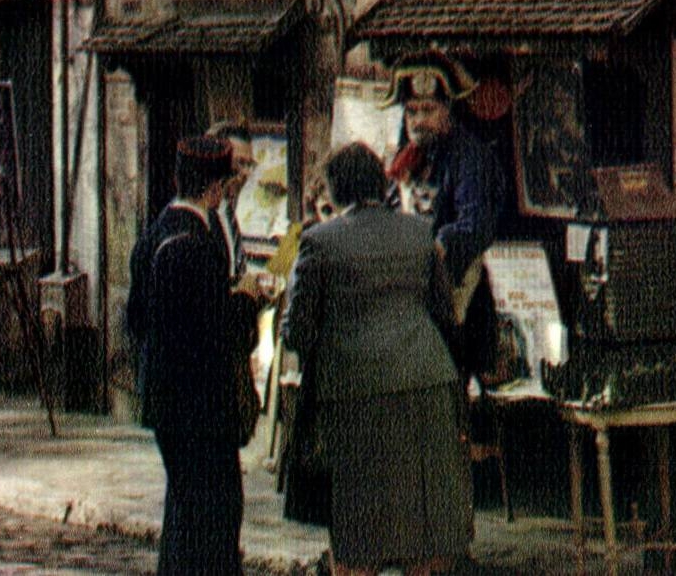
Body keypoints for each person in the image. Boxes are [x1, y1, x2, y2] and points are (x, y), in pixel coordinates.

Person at [282, 140, 472, 576]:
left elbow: (298, 332)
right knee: (424, 532)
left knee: (359, 534)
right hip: (426, 382)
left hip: (356, 395)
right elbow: (445, 314)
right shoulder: (418, 232)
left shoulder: (317, 241)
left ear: (333, 192)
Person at [126, 135, 256, 576]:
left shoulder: (154, 234)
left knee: (183, 516)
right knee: (215, 518)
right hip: (201, 406)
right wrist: (247, 301)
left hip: (164, 402)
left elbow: (135, 319)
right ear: (215, 188)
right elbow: (215, 329)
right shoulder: (195, 243)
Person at [382, 51, 508, 380]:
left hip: (452, 297)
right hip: (407, 296)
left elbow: (475, 224)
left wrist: (437, 247)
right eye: (411, 112)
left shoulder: (469, 158)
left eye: (427, 110)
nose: (417, 120)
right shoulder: (404, 161)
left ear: (447, 110)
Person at [206, 120, 258, 279]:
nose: (246, 174)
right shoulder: (204, 216)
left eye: (250, 165)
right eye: (240, 162)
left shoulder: (227, 211)